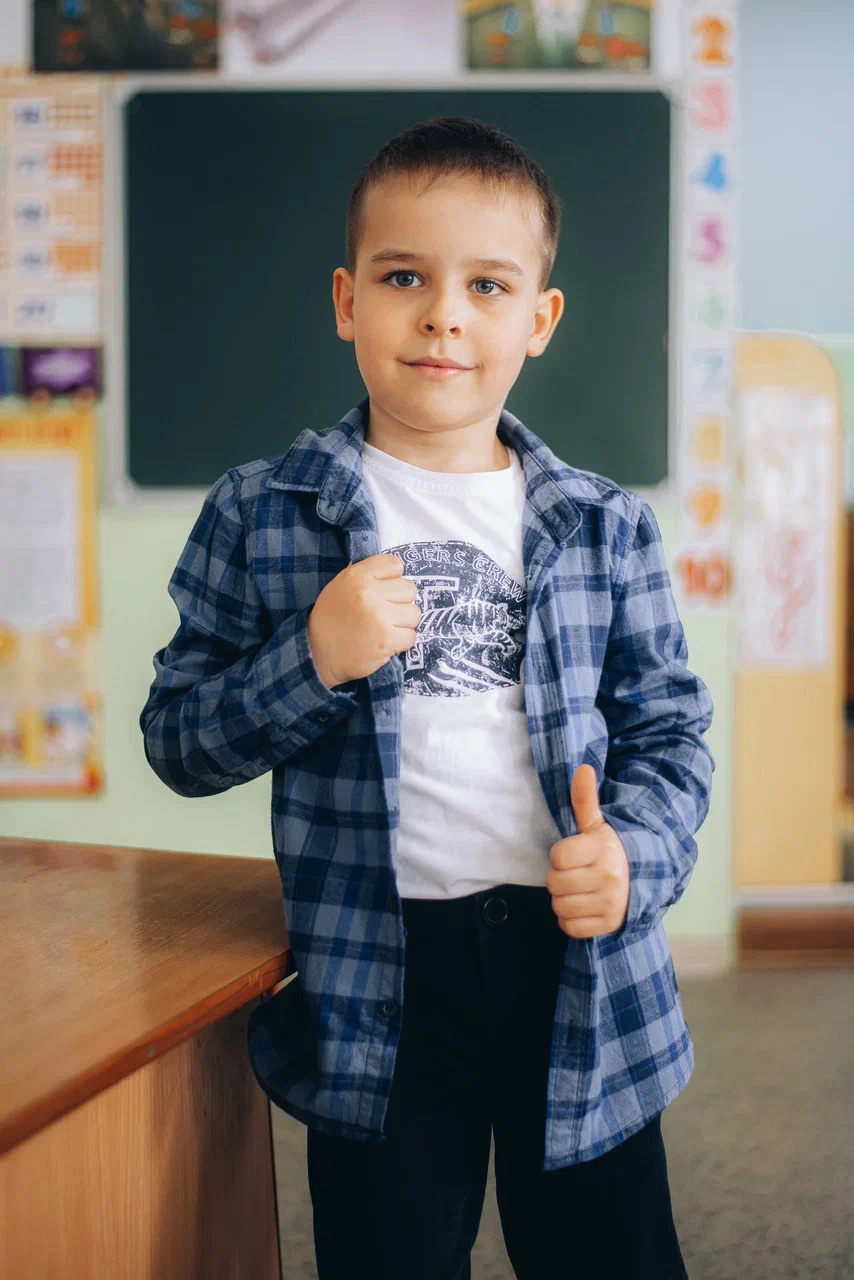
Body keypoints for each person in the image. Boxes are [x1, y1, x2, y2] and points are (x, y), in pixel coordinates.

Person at [140, 115, 715, 1279]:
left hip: (577, 962)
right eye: (405, 277)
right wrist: (313, 653)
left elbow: (669, 735)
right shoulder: (263, 511)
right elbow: (178, 739)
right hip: (376, 973)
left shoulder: (602, 524)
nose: (443, 313)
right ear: (348, 300)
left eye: (486, 284)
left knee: (608, 1254)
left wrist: (637, 858)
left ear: (536, 320)